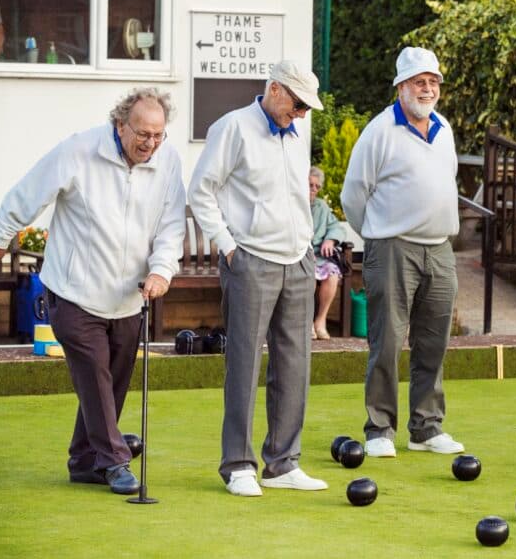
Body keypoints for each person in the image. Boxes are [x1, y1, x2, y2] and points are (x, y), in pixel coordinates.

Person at [0, 88, 185, 495]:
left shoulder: (167, 162)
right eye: (143, 134)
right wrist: (1, 235)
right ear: (120, 125)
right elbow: (29, 191)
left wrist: (162, 270)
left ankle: (83, 461)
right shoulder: (79, 150)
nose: (150, 144)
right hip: (73, 292)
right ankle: (114, 461)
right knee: (94, 374)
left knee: (114, 383)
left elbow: (171, 223)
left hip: (129, 297)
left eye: (158, 135)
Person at [188, 60, 328, 497]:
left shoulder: (297, 130)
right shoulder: (232, 128)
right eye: (299, 104)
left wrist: (305, 244)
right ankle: (237, 465)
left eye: (307, 107)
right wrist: (228, 247)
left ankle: (283, 462)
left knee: (294, 365)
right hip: (250, 260)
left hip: (297, 260)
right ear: (275, 89)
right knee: (244, 365)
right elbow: (201, 190)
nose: (303, 114)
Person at [341, 46, 465, 458]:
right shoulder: (379, 131)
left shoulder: (443, 128)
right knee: (388, 341)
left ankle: (426, 428)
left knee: (434, 342)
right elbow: (353, 194)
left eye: (432, 82)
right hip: (394, 248)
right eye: (418, 82)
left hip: (440, 249)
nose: (427, 89)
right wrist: (377, 235)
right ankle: (379, 429)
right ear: (401, 88)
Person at [309, 166, 345, 340]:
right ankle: (306, 322)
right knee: (306, 273)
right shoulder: (293, 203)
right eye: (310, 185)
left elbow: (336, 227)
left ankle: (320, 321)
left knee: (332, 274)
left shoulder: (322, 207)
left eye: (317, 186)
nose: (314, 189)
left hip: (319, 257)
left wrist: (330, 239)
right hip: (300, 256)